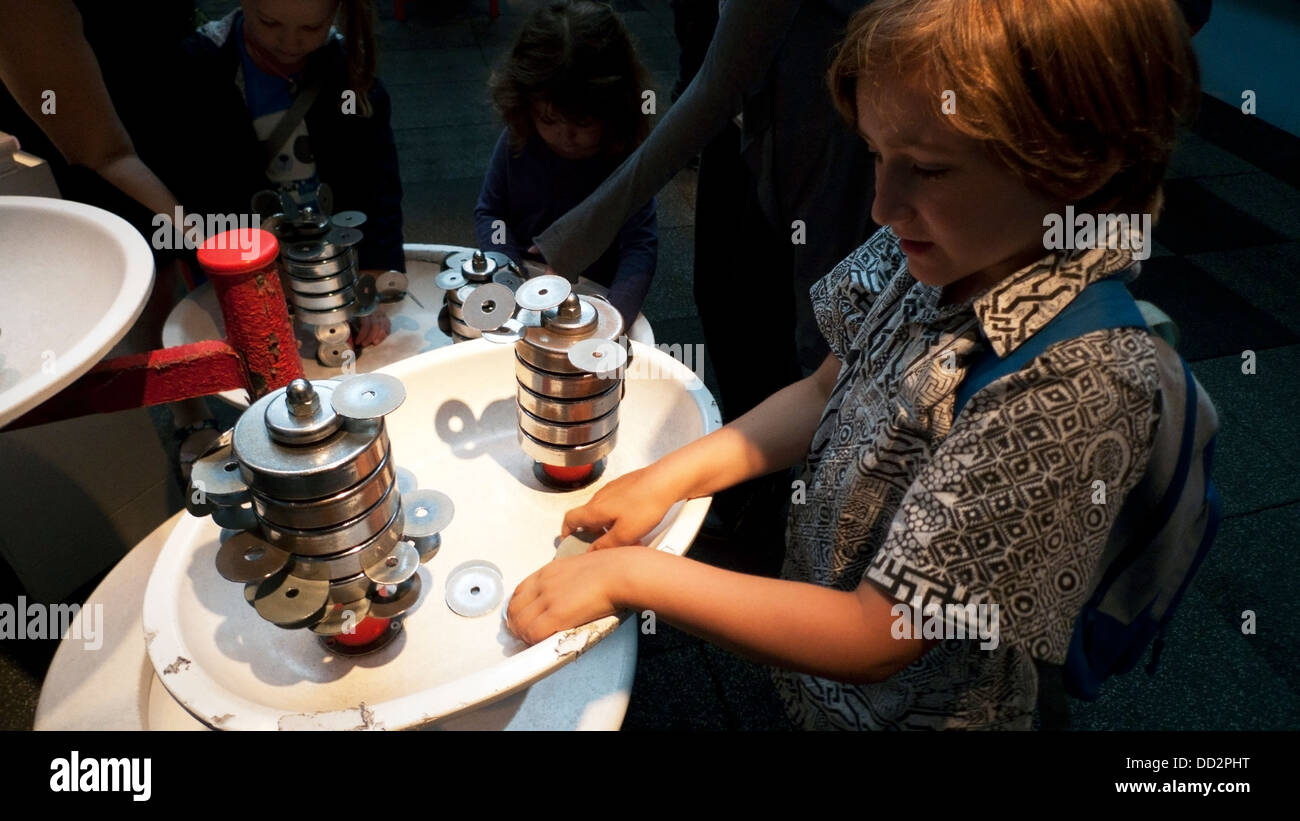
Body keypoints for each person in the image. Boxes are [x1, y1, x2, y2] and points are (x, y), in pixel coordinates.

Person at [505, 0, 1201, 730]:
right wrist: (668, 476)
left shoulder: (1076, 379)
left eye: (928, 169)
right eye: (874, 155)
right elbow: (823, 385)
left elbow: (879, 633)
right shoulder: (934, 245)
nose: (880, 205)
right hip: (821, 666)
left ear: (1082, 164)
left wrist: (632, 575)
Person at [156, 0, 402, 349]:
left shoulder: (348, 68)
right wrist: (267, 276)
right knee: (257, 358)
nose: (289, 42)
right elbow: (200, 192)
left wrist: (368, 281)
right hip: (242, 256)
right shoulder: (200, 68)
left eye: (311, 28)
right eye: (270, 23)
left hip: (333, 256)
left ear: (335, 13)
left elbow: (376, 185)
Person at [474, 0, 657, 330]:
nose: (564, 136)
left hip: (592, 295)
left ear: (615, 108)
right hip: (524, 283)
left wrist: (612, 320)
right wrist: (507, 274)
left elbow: (639, 248)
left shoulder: (625, 158)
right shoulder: (519, 138)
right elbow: (492, 213)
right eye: (548, 119)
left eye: (583, 123)